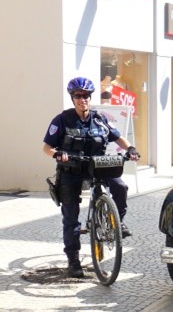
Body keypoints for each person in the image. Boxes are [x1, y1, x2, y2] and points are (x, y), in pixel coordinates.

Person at [43, 77, 141, 278]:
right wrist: (57, 154)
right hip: (71, 171)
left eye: (86, 96)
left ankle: (117, 222)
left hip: (96, 166)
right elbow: (46, 147)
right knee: (71, 218)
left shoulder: (99, 119)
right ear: (73, 98)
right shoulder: (61, 120)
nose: (83, 99)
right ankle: (73, 261)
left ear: (90, 97)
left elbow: (117, 137)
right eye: (78, 96)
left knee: (120, 186)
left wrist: (130, 148)